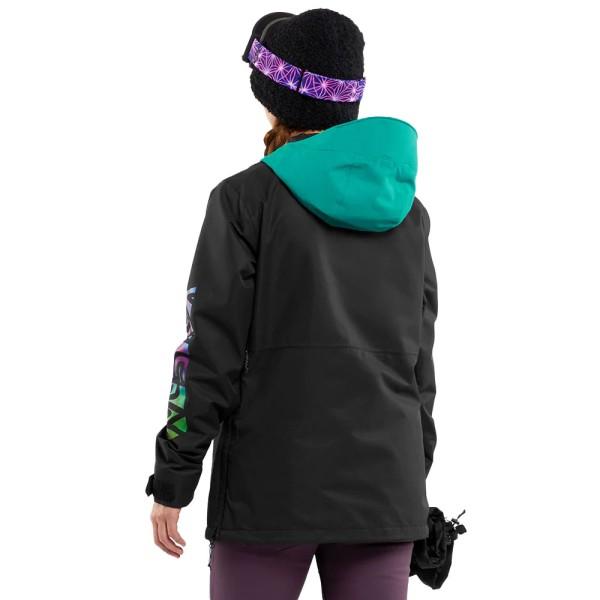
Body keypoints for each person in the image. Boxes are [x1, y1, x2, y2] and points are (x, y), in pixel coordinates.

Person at [146, 9, 438, 600]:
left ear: (274, 102)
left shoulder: (243, 201)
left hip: (268, 494)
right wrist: (410, 478)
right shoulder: (408, 213)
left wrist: (174, 474)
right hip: (384, 493)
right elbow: (419, 366)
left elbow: (206, 352)